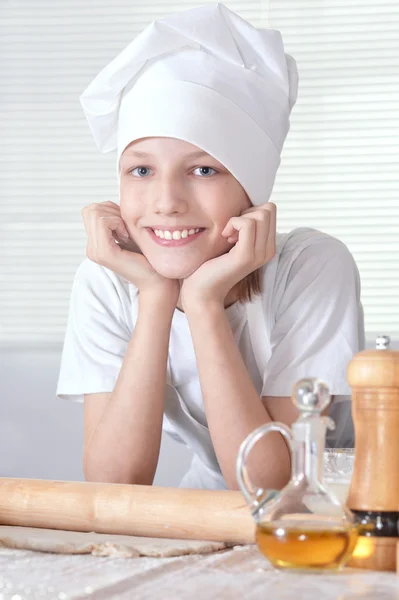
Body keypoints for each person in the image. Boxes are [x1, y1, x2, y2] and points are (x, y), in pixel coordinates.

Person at [56, 3, 364, 491]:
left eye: (203, 170)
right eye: (141, 170)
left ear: (251, 187)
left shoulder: (312, 267)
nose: (166, 202)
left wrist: (201, 304)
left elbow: (274, 485)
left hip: (328, 511)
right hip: (205, 506)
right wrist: (157, 298)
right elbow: (114, 484)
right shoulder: (109, 279)